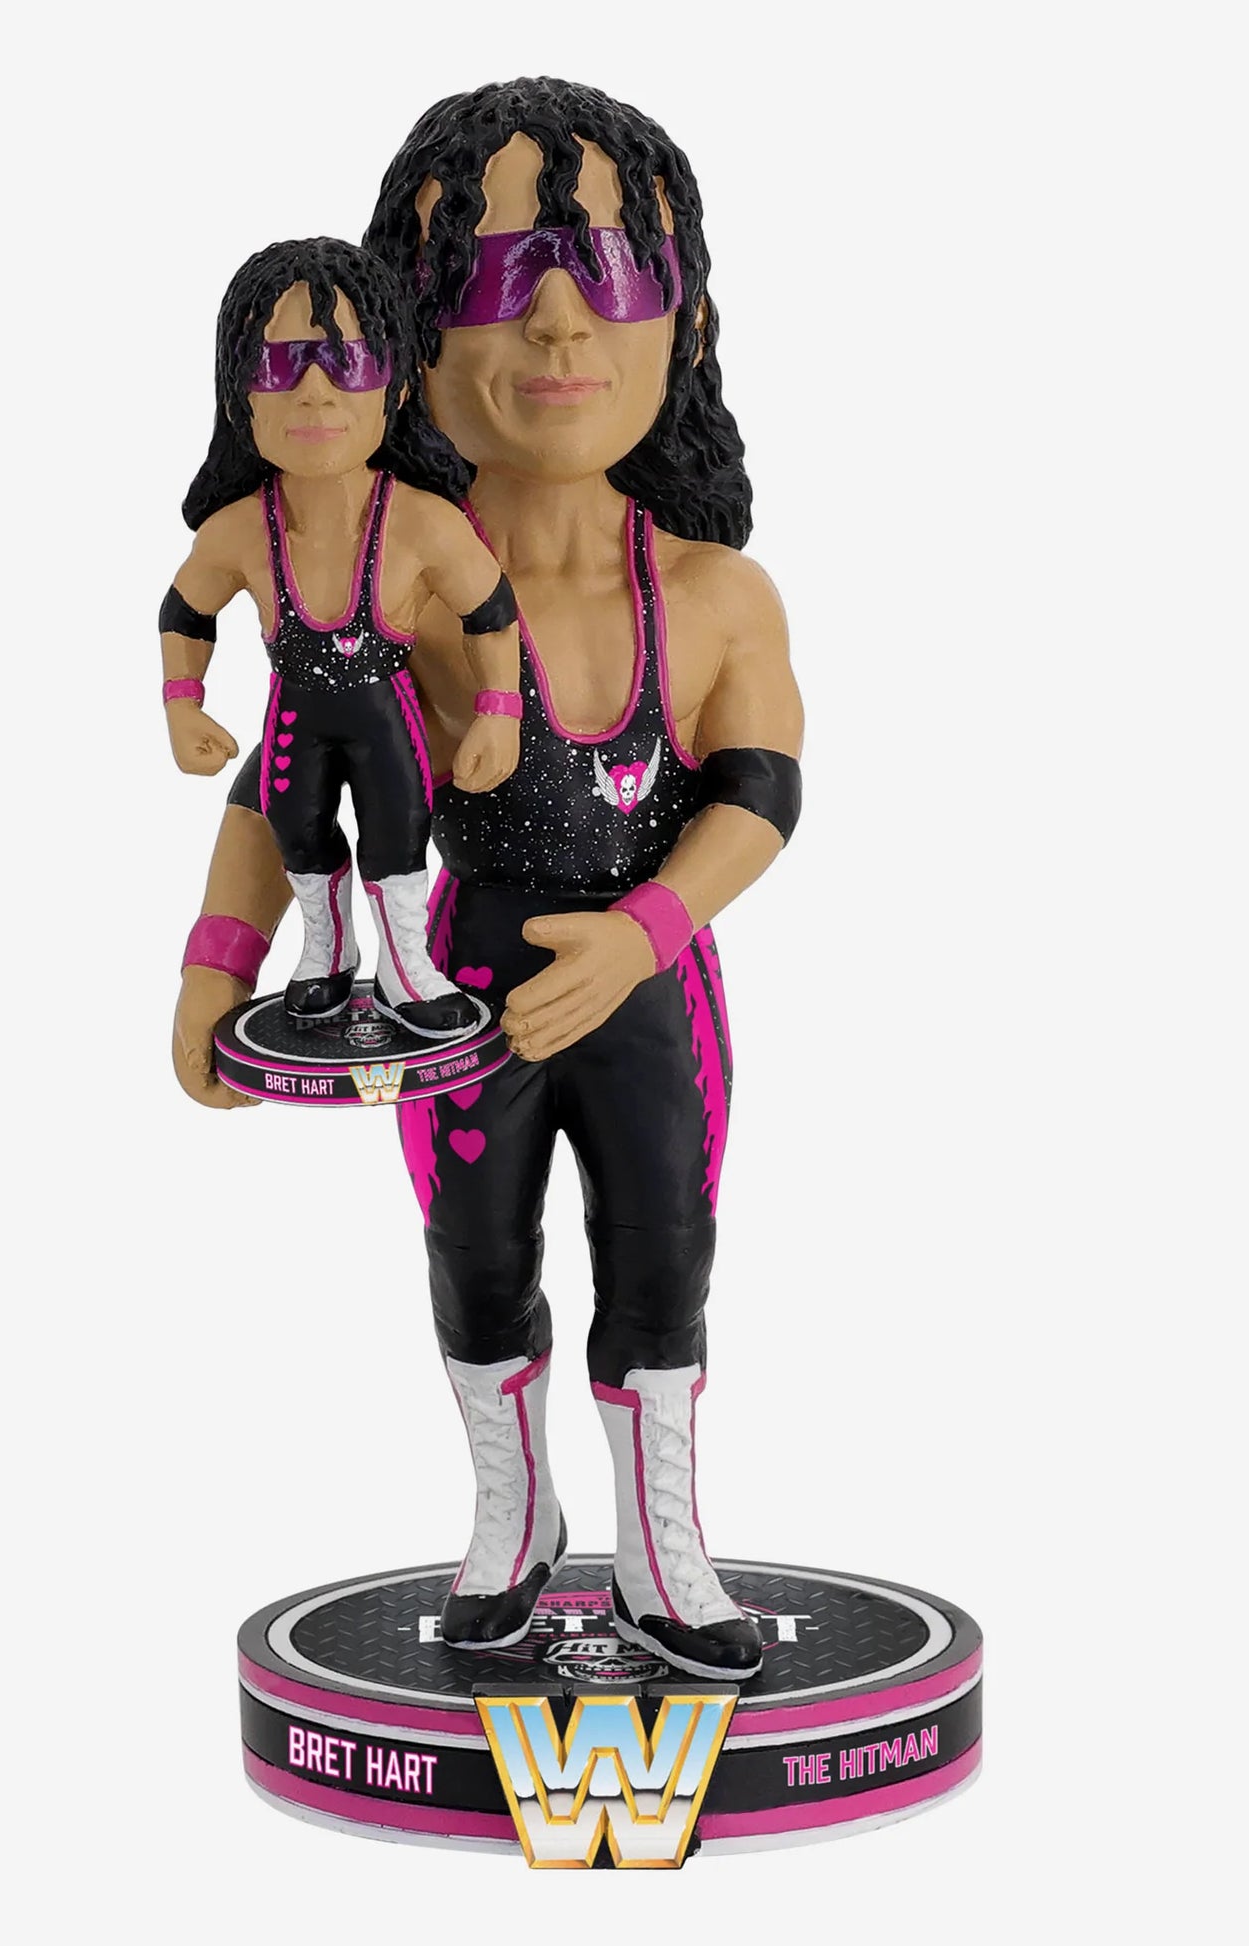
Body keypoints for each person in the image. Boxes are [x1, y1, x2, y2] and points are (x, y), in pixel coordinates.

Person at [173, 81, 804, 1680]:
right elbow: (281, 776)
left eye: (609, 271)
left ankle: (665, 1553)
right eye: (502, 272)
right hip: (450, 985)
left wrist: (642, 934)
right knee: (473, 1256)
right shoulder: (385, 571)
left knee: (665, 1254)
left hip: (648, 988)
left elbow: (762, 795)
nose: (559, 324)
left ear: (685, 315)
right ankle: (510, 1523)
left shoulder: (715, 595)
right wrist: (215, 964)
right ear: (410, 331)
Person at [160, 238, 522, 1038]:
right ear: (239, 394)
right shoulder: (237, 532)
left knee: (399, 834)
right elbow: (185, 612)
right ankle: (325, 953)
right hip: (297, 721)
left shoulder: (423, 524)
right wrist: (182, 704)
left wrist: (499, 711)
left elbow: (491, 612)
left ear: (395, 384)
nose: (316, 393)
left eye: (346, 362)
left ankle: (406, 967)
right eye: (281, 365)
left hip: (385, 721)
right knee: (297, 831)